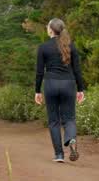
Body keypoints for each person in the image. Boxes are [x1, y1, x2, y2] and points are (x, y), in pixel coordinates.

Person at [34, 17, 85, 163]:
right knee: (69, 118)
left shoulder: (43, 47)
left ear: (51, 30)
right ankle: (71, 138)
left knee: (53, 120)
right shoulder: (71, 46)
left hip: (50, 84)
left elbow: (39, 72)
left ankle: (59, 155)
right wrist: (80, 89)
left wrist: (37, 91)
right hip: (68, 84)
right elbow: (77, 70)